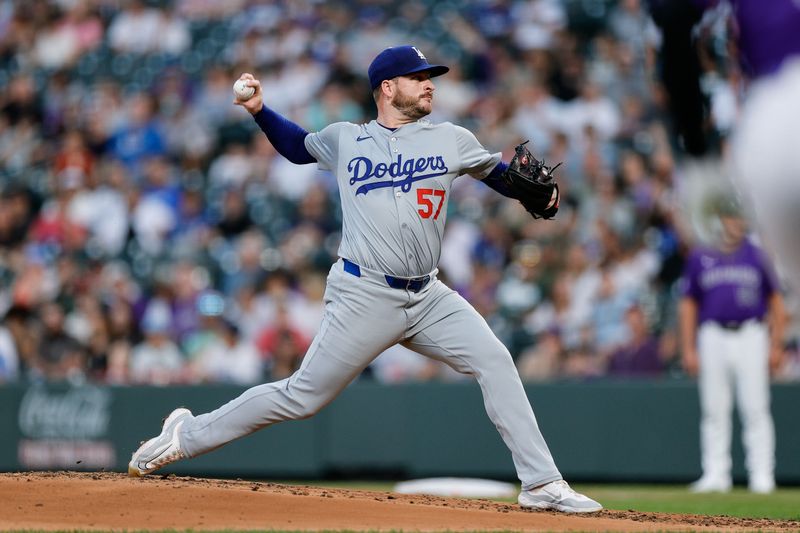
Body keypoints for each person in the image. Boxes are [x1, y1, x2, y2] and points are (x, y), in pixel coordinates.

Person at [128, 45, 601, 513]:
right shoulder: (346, 138)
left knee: (495, 360)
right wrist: (259, 110)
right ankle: (185, 435)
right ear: (388, 88)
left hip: (429, 295)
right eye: (419, 77)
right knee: (302, 397)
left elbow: (501, 175)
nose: (430, 83)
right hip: (364, 293)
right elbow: (297, 147)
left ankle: (541, 483)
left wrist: (540, 197)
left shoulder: (450, 139)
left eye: (430, 76)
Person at [678, 195, 786, 494]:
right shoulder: (702, 255)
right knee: (714, 408)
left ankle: (762, 475)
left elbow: (776, 302)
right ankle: (716, 474)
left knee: (756, 407)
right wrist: (688, 348)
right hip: (712, 334)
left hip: (752, 334)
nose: (737, 222)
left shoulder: (757, 255)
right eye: (731, 216)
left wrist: (776, 345)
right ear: (720, 219)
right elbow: (688, 304)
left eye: (740, 217)